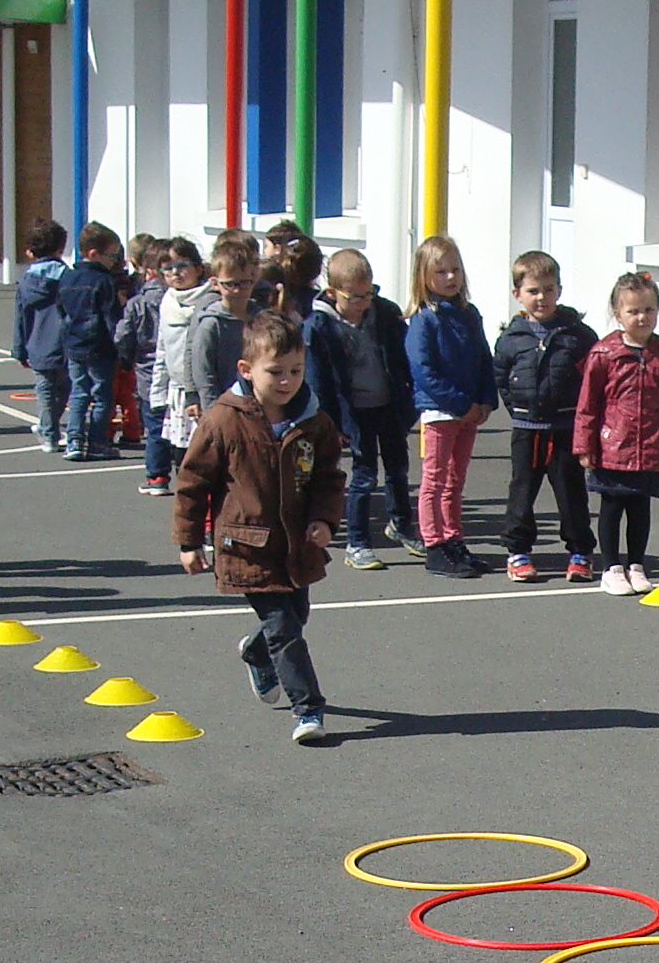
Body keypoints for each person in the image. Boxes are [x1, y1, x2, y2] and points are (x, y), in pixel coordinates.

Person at [170, 310, 344, 745]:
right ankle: (309, 709)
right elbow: (193, 483)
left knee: (294, 618)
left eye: (295, 371)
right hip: (247, 544)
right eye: (276, 372)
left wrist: (324, 519)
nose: (287, 381)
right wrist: (189, 542)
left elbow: (328, 477)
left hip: (296, 544)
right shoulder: (223, 420)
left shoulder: (312, 420)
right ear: (246, 370)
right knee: (285, 628)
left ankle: (254, 649)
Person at [573, 271, 659, 597]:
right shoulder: (603, 354)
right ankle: (612, 567)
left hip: (651, 448)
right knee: (612, 506)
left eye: (649, 310)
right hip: (613, 446)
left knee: (641, 508)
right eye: (633, 311)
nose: (642, 318)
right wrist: (585, 446)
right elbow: (588, 405)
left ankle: (636, 565)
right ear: (618, 314)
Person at [493, 250, 597, 584]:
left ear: (560, 290)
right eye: (534, 291)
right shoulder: (511, 339)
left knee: (571, 494)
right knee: (521, 493)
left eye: (549, 289)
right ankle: (518, 552)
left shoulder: (578, 335)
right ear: (518, 295)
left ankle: (580, 552)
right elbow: (501, 379)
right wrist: (521, 410)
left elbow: (592, 381)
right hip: (527, 429)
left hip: (566, 428)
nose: (542, 298)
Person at [305, 246, 411, 572]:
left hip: (388, 404)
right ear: (332, 292)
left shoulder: (385, 314)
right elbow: (319, 380)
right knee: (364, 476)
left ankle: (401, 524)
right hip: (354, 411)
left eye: (369, 294)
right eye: (354, 297)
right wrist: (332, 422)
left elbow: (402, 358)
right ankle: (358, 542)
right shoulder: (319, 327)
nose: (363, 303)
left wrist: (408, 400)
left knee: (398, 468)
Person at [403, 234, 495, 580]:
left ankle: (454, 538)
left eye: (455, 270)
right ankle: (435, 543)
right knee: (435, 479)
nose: (450, 278)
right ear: (425, 276)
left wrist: (485, 400)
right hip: (441, 412)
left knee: (456, 479)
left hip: (468, 411)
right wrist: (459, 404)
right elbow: (424, 371)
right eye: (441, 272)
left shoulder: (468, 314)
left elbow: (484, 358)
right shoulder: (424, 319)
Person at [163, 230, 261, 449]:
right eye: (231, 284)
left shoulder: (259, 314)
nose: (238, 290)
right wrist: (198, 398)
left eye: (245, 283)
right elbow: (198, 361)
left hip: (255, 404)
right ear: (217, 283)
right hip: (222, 402)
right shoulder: (210, 317)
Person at [54, 222, 129, 460]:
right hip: (99, 346)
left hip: (74, 345)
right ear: (94, 254)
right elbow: (111, 318)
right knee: (101, 396)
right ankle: (97, 442)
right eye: (112, 256)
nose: (114, 261)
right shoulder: (103, 281)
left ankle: (74, 441)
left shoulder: (67, 277)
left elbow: (61, 311)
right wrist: (120, 348)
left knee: (78, 393)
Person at [116, 239, 177, 493]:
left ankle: (157, 476)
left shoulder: (137, 303)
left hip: (147, 369)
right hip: (174, 369)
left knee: (154, 426)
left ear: (147, 270)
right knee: (180, 422)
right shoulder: (179, 300)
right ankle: (182, 469)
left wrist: (126, 359)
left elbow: (123, 336)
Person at [12, 217, 71, 453]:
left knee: (45, 389)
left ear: (30, 252)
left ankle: (48, 433)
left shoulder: (27, 281)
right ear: (61, 248)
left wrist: (19, 348)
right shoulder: (67, 276)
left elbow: (20, 316)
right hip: (65, 342)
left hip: (36, 342)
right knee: (63, 388)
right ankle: (50, 426)